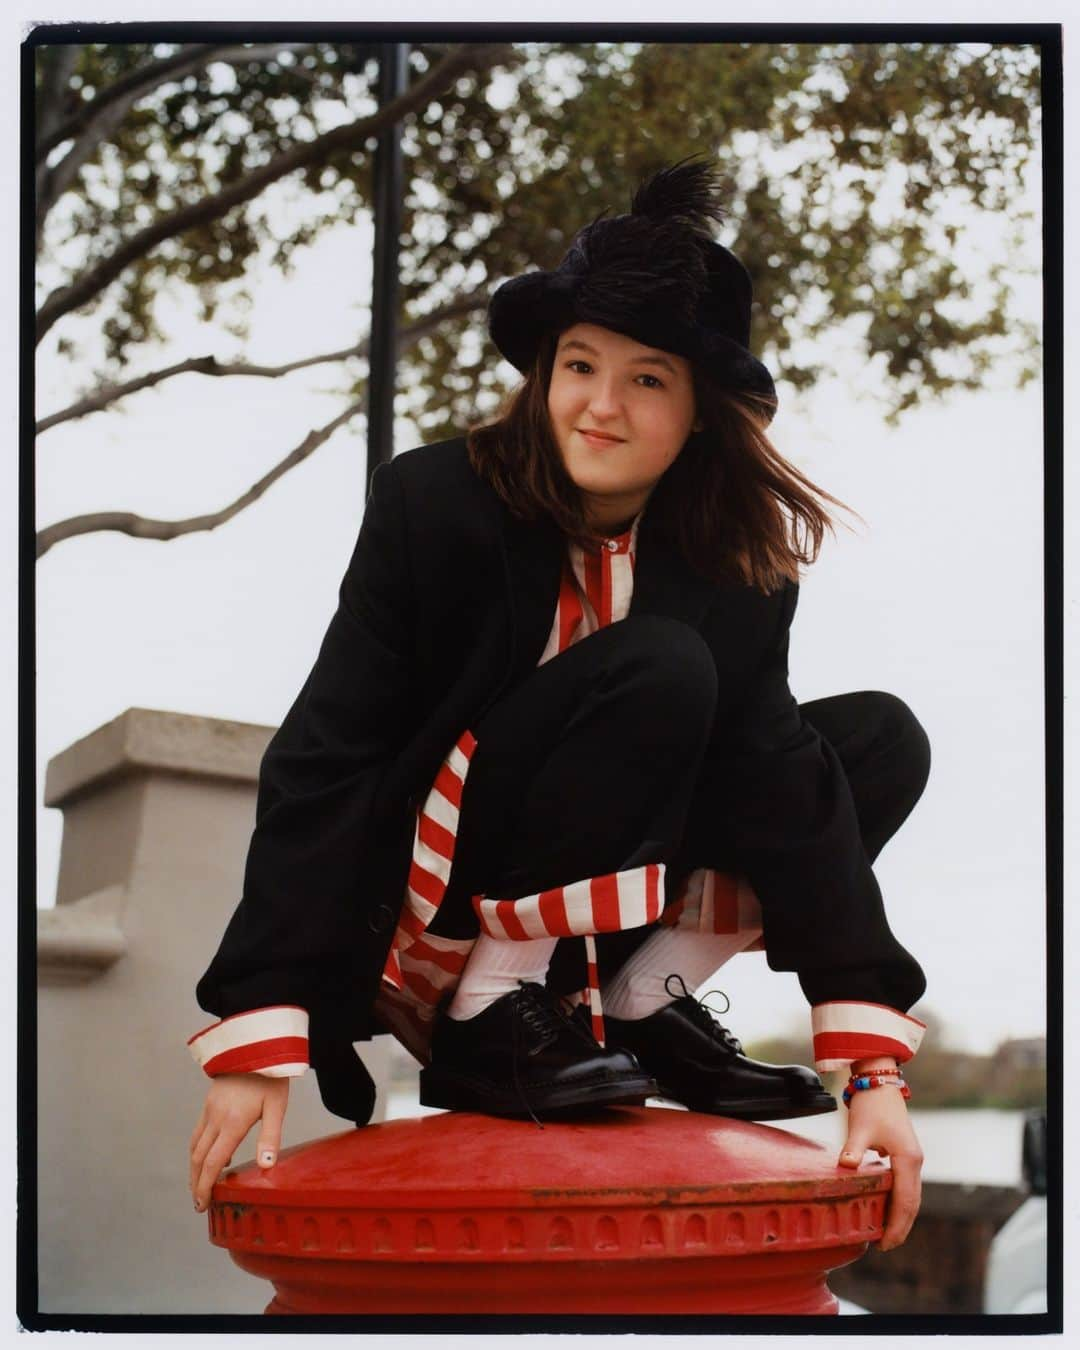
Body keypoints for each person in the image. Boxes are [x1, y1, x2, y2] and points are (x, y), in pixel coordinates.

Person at [188, 159, 930, 1251]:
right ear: (541, 371)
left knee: (868, 741)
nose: (598, 403)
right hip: (442, 903)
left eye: (647, 379)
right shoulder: (432, 504)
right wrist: (262, 1028)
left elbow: (784, 787)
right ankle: (494, 1015)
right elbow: (327, 754)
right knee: (662, 667)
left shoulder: (737, 565)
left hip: (607, 926)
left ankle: (646, 1004)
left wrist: (872, 1069)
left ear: (701, 415)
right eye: (578, 364)